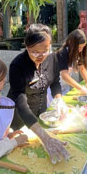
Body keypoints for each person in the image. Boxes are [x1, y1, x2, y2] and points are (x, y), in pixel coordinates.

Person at [6, 24, 70, 164]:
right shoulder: (17, 66)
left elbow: (54, 82)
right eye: (35, 52)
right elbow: (21, 104)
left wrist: (59, 99)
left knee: (41, 157)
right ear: (27, 47)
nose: (41, 56)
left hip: (41, 112)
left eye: (45, 50)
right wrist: (45, 138)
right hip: (20, 118)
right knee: (25, 157)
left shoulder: (52, 58)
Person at [56, 29, 87, 96]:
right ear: (71, 43)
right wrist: (82, 89)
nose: (81, 50)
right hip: (54, 89)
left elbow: (82, 68)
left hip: (65, 88)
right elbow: (64, 75)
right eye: (79, 47)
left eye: (83, 47)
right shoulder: (62, 53)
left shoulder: (77, 52)